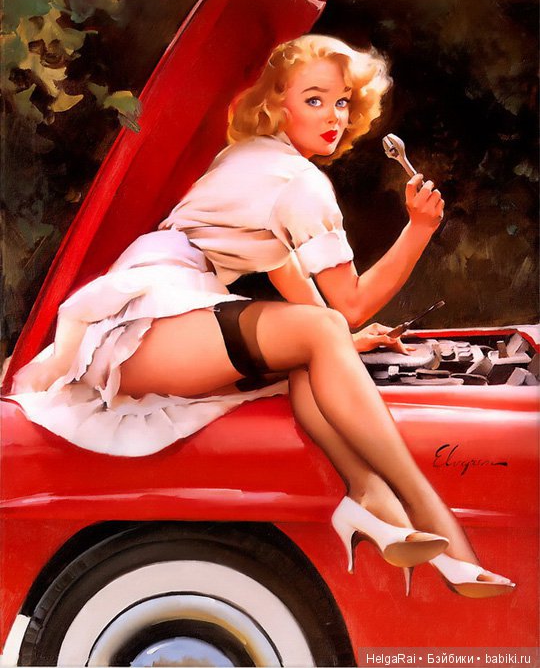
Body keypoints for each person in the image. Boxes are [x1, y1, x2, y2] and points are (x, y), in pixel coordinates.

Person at [10, 35, 514, 598]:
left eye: (342, 101)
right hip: (146, 320)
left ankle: (367, 496)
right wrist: (419, 229)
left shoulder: (250, 159)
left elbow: (305, 301)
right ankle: (434, 518)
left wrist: (347, 342)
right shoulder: (299, 184)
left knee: (313, 355)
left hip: (153, 316)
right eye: (314, 99)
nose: (334, 116)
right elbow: (346, 304)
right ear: (277, 104)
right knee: (324, 335)